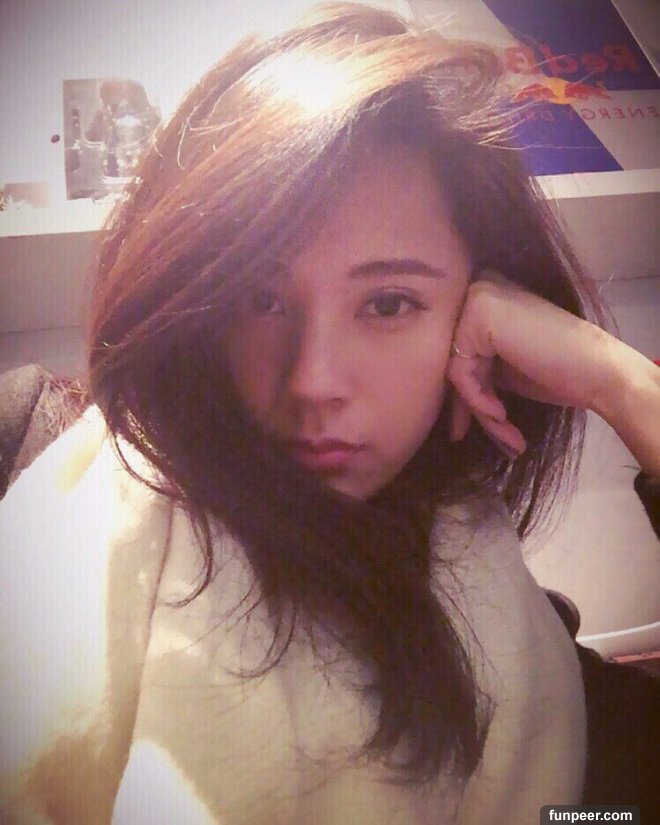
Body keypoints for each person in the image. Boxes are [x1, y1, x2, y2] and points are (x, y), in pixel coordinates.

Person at [1, 3, 658, 822]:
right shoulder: (25, 442)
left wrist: (625, 385)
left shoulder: (519, 646)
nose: (313, 380)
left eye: (388, 302)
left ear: (472, 316)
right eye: (261, 299)